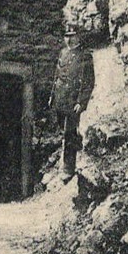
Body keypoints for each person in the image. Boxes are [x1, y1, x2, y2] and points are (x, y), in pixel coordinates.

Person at [51, 27, 96, 181]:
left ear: (78, 37)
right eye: (66, 36)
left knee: (69, 132)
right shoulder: (63, 53)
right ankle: (75, 147)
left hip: (73, 102)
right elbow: (57, 77)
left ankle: (68, 168)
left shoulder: (85, 56)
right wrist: (52, 97)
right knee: (62, 132)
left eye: (72, 36)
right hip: (60, 99)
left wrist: (81, 102)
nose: (69, 39)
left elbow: (88, 82)